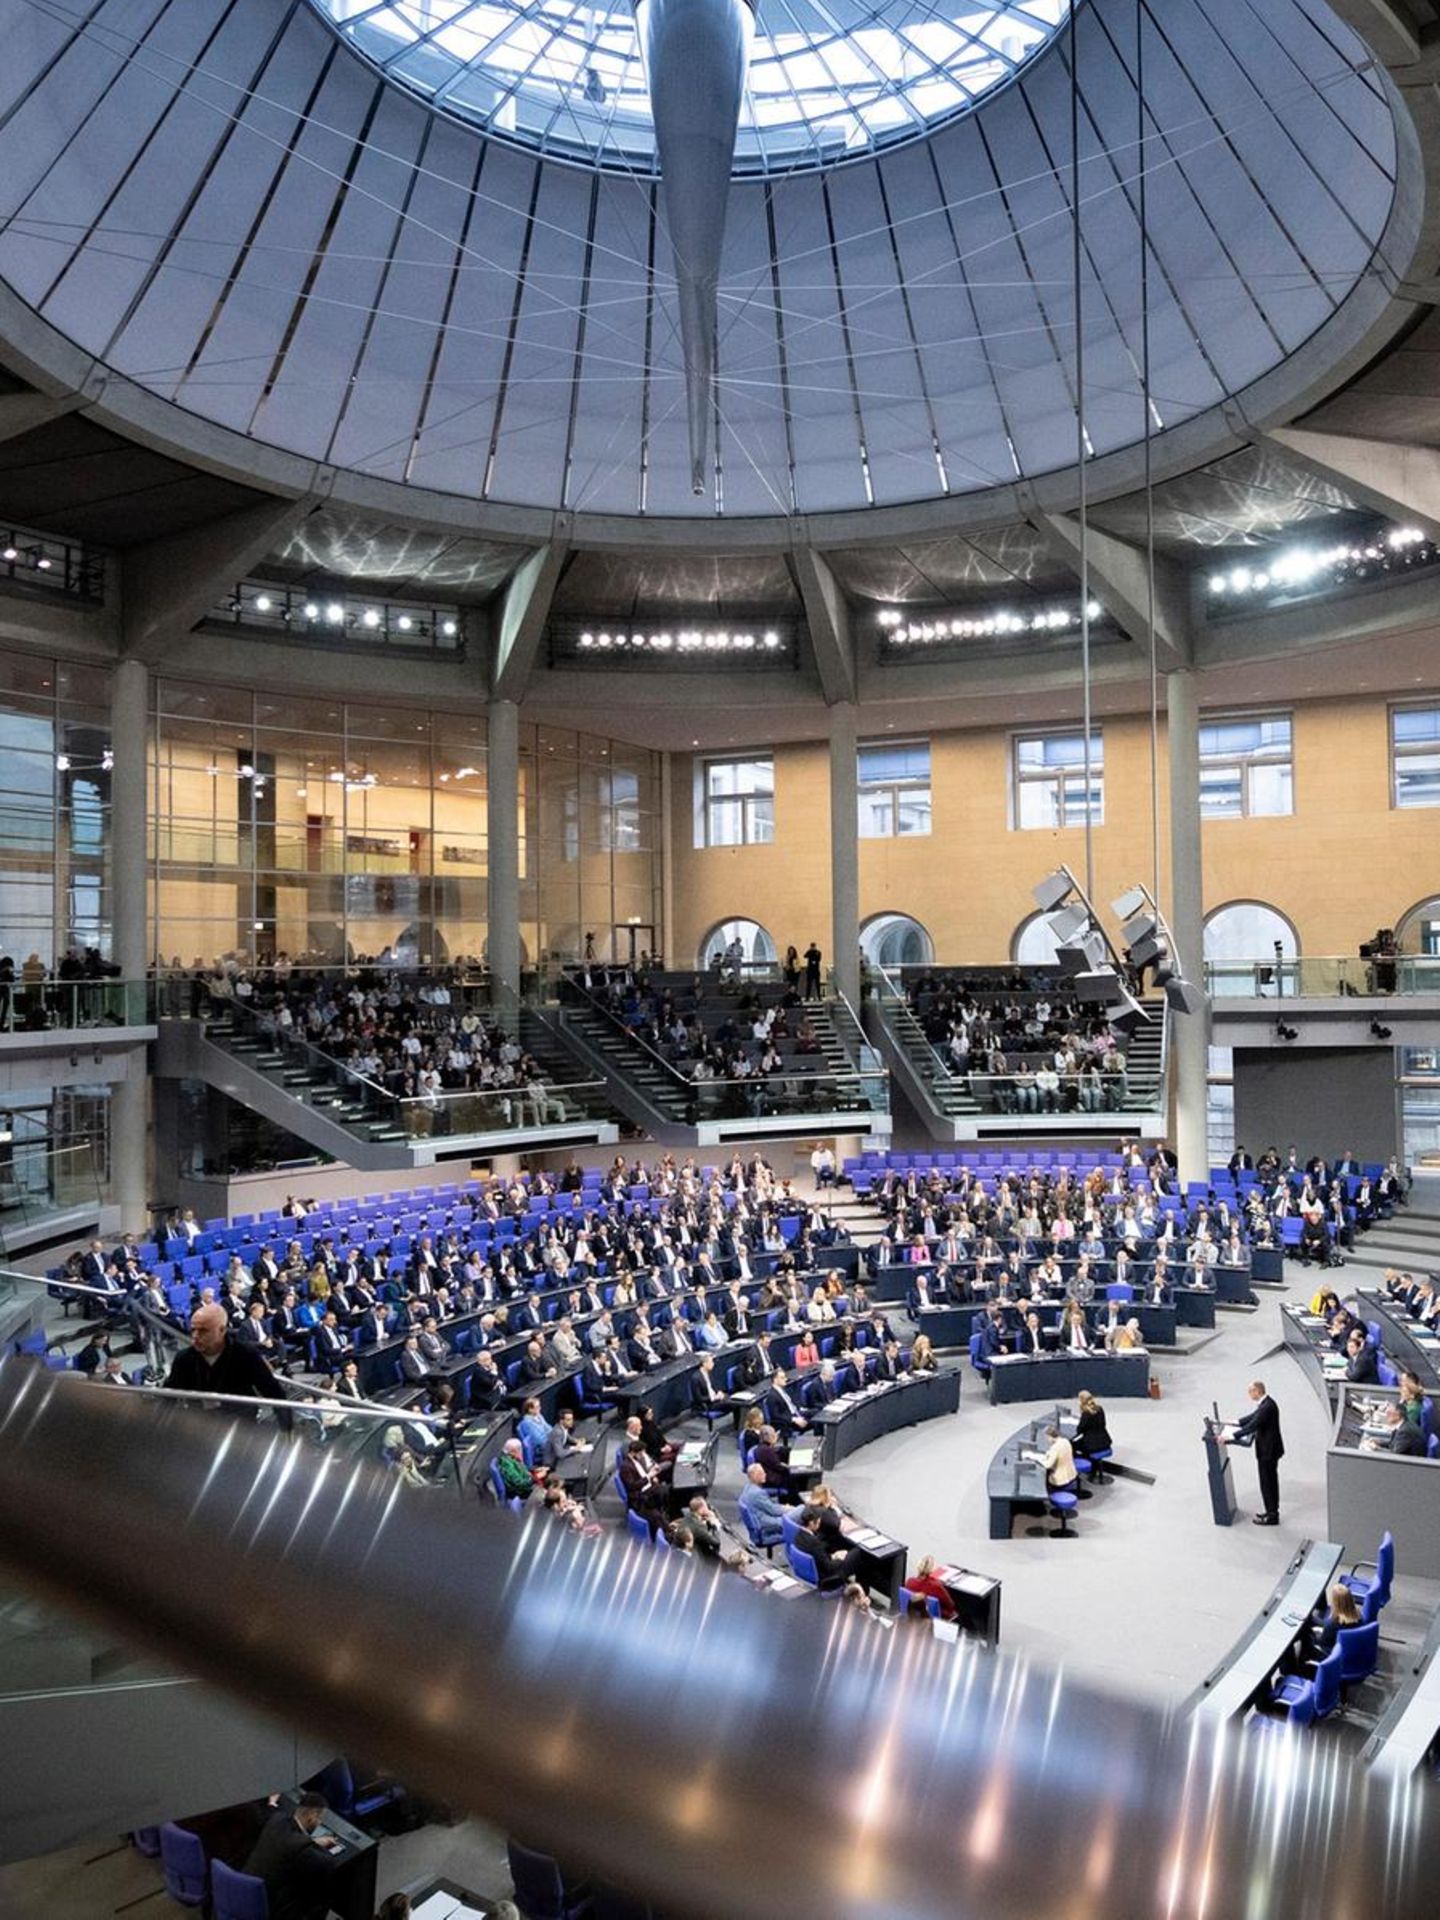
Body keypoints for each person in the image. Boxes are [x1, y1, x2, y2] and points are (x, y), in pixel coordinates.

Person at [165, 1302, 292, 1428]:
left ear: (222, 1330)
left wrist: (286, 1427)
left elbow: (272, 1390)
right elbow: (168, 1395)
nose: (195, 1336)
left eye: (203, 1330)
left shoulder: (245, 1355)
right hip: (200, 1428)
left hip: (240, 1427)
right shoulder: (184, 1358)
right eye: (193, 1329)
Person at [242, 1793, 333, 1920]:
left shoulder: (276, 1819)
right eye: (320, 1818)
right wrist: (315, 1845)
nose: (320, 1822)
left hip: (243, 1890)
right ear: (312, 1816)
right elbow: (327, 1862)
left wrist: (313, 1841)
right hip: (269, 1907)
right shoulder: (303, 1850)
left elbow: (287, 1839)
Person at [1230, 1379, 1284, 1525]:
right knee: (1268, 1482)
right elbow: (1253, 1416)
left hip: (1268, 1451)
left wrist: (1231, 1436)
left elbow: (1253, 1424)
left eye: (1250, 1391)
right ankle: (1270, 1511)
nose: (1249, 1394)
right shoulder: (1266, 1403)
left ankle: (1272, 1516)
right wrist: (1237, 1422)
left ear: (1257, 1391)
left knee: (1267, 1483)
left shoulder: (1267, 1407)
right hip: (1269, 1450)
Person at [1308, 1583, 1362, 1662]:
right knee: (1312, 1620)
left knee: (1307, 1636)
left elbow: (1322, 1642)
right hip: (1346, 1647)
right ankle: (1310, 1619)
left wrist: (1312, 1633)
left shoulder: (1332, 1624)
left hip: (1330, 1652)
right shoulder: (1357, 1614)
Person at [738, 1461, 787, 1548]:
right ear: (755, 1476)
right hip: (766, 1528)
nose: (765, 1474)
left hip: (761, 1523)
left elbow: (768, 1506)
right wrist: (789, 1509)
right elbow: (775, 1511)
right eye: (762, 1473)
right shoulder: (757, 1493)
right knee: (799, 1515)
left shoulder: (748, 1488)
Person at [902, 1553, 957, 1621]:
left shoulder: (910, 1581)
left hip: (913, 1614)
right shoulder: (936, 1586)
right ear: (932, 1570)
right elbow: (951, 1605)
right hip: (932, 1618)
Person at [1073, 1389, 1112, 1479]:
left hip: (1093, 1445)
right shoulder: (1100, 1409)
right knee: (1082, 1443)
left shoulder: (1086, 1413)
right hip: (1105, 1441)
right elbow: (1103, 1423)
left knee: (1072, 1445)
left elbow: (1080, 1430)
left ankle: (1087, 1468)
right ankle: (1093, 1467)